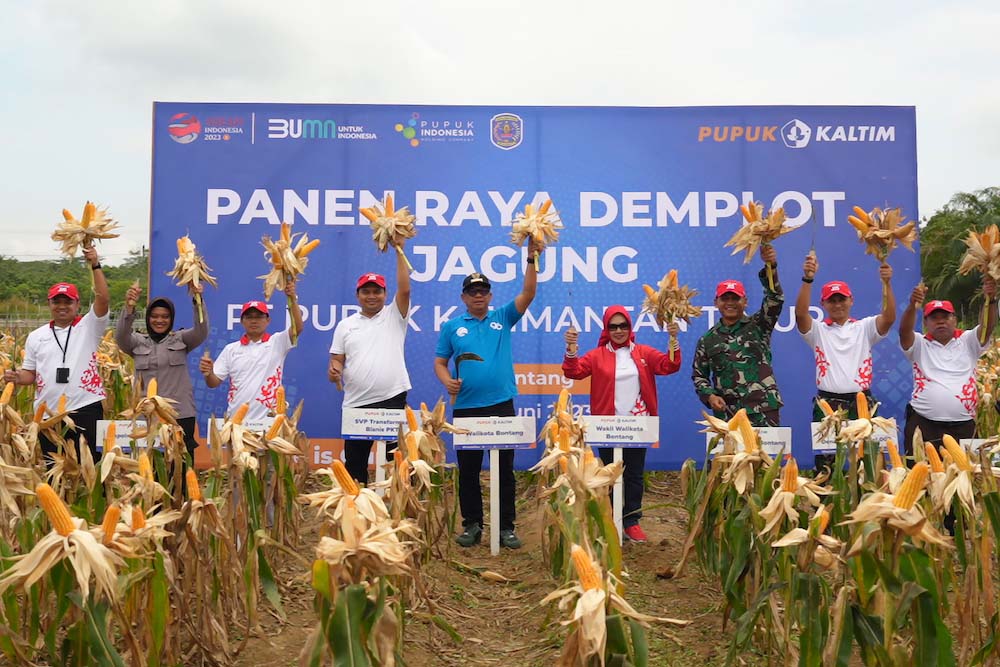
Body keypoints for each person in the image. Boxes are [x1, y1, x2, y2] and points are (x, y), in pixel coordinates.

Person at [434, 244, 539, 549]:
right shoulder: (452, 326)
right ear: (464, 297)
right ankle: (472, 525)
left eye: (483, 291)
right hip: (466, 408)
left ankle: (506, 527)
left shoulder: (503, 317)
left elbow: (528, 293)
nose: (478, 296)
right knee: (468, 470)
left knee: (504, 468)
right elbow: (440, 362)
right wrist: (446, 381)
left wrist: (531, 258)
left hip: (501, 404)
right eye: (472, 292)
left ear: (490, 296)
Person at [562, 306, 681, 542]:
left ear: (630, 328)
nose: (618, 331)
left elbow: (669, 366)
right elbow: (573, 372)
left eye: (623, 326)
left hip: (637, 425)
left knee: (634, 475)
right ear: (606, 329)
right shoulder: (597, 355)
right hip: (606, 426)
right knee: (608, 475)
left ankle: (632, 521)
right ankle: (610, 520)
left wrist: (673, 339)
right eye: (613, 326)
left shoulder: (644, 353)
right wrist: (571, 348)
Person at [4, 246, 109, 461]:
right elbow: (30, 375)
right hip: (47, 413)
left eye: (68, 301)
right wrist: (16, 378)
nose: (62, 306)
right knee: (54, 472)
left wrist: (95, 265)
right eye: (56, 301)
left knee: (89, 470)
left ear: (77, 303)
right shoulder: (36, 336)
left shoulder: (89, 327)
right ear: (49, 304)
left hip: (85, 408)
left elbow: (103, 300)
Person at [795, 254, 895, 467]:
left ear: (851, 300)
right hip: (827, 405)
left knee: (866, 463)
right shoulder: (819, 331)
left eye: (842, 299)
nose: (837, 304)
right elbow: (801, 315)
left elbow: (889, 318)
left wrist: (886, 283)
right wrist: (808, 279)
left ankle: (863, 500)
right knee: (828, 464)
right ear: (823, 303)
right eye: (832, 300)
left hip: (862, 402)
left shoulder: (865, 327)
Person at [328, 248, 411, 485]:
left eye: (377, 291)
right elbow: (336, 360)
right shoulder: (346, 325)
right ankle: (359, 519)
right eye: (366, 291)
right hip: (356, 402)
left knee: (398, 465)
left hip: (392, 398)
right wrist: (334, 370)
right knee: (354, 468)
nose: (371, 296)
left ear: (385, 295)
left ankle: (397, 517)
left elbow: (405, 289)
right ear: (358, 295)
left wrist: (399, 249)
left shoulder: (395, 315)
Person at [899, 280, 997, 455]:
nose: (940, 322)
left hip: (963, 426)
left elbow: (987, 328)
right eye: (934, 318)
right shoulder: (920, 344)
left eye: (945, 317)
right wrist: (912, 307)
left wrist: (990, 299)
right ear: (926, 322)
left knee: (966, 478)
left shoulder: (968, 341)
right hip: (923, 425)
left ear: (955, 319)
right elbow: (904, 332)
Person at [116, 282, 208, 463]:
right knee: (150, 468)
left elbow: (201, 330)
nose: (160, 320)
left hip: (179, 415)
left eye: (165, 316)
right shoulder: (137, 342)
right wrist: (129, 307)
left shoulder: (181, 339)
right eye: (155, 316)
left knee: (181, 467)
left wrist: (198, 300)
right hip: (147, 417)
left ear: (171, 318)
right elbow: (120, 336)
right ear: (148, 318)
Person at [692, 245, 783, 426]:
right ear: (716, 302)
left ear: (745, 301)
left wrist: (771, 266)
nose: (730, 303)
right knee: (728, 456)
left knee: (766, 455)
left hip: (763, 410)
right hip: (728, 413)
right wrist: (710, 396)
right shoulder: (707, 339)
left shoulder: (759, 325)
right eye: (725, 298)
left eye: (735, 298)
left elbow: (774, 299)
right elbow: (699, 375)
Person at [199, 282, 303, 421]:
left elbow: (297, 328)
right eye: (249, 317)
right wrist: (208, 373)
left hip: (269, 421)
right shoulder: (231, 349)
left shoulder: (277, 342)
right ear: (242, 321)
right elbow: (213, 382)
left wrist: (292, 299)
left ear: (268, 320)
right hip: (236, 422)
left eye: (259, 317)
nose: (254, 321)